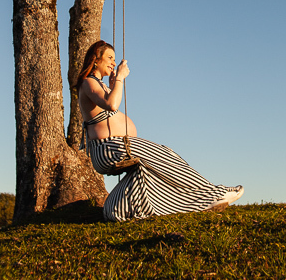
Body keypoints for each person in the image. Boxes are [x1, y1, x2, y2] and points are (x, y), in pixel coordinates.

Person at [76, 40, 244, 222]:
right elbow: (111, 104)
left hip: (116, 147)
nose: (113, 63)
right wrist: (119, 79)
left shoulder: (99, 85)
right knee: (165, 155)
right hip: (109, 148)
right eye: (109, 57)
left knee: (145, 176)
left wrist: (114, 83)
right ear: (95, 59)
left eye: (114, 59)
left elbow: (109, 103)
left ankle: (118, 210)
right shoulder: (88, 82)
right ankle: (212, 194)